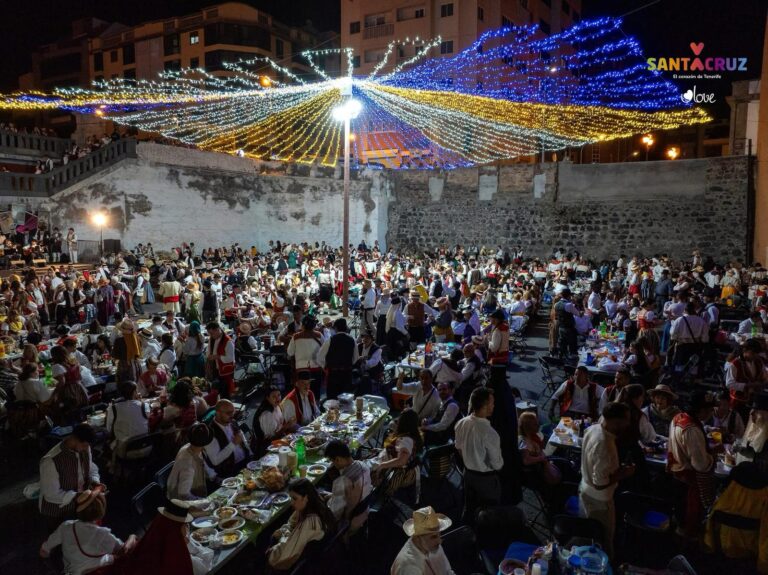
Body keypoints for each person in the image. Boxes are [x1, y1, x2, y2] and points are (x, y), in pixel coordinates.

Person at [579, 402, 634, 558]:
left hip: (584, 491)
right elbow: (600, 483)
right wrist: (623, 473)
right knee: (603, 541)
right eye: (627, 420)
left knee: (588, 537)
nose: (628, 424)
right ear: (617, 421)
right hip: (599, 502)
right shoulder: (605, 444)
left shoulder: (593, 428)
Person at [40, 489, 137, 575]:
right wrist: (132, 537)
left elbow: (44, 550)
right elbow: (123, 549)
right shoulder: (102, 534)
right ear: (101, 511)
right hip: (99, 570)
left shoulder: (66, 526)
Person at [105, 499, 213, 575]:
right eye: (185, 524)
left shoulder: (153, 535)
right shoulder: (177, 553)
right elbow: (205, 565)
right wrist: (189, 544)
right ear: (178, 527)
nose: (187, 526)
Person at [667, 391, 718, 538]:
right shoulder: (692, 429)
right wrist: (712, 456)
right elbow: (700, 464)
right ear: (700, 410)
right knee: (689, 520)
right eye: (709, 410)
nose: (710, 413)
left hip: (677, 476)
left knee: (680, 515)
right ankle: (686, 551)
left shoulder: (678, 418)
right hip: (689, 481)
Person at [39, 424, 102, 530]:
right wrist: (78, 496)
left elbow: (91, 468)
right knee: (64, 538)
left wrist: (95, 481)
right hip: (58, 507)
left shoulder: (84, 448)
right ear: (74, 439)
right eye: (85, 445)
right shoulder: (51, 461)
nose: (86, 449)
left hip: (79, 501)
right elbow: (51, 494)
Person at [454, 387, 503, 522]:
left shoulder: (461, 423)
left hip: (468, 474)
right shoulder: (490, 433)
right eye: (492, 402)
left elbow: (458, 448)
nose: (494, 405)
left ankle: (467, 535)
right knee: (489, 515)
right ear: (485, 406)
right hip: (485, 481)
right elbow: (497, 464)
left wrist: (470, 461)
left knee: (469, 508)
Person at [267, 478, 337, 572]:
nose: (292, 502)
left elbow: (284, 555)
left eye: (295, 498)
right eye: (291, 498)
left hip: (307, 562)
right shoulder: (315, 503)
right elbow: (292, 522)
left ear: (306, 498)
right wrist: (285, 530)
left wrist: (281, 537)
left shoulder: (310, 522)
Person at [370, 409, 423, 495]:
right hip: (386, 460)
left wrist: (382, 465)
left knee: (359, 470)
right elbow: (399, 452)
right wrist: (381, 450)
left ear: (403, 423)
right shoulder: (412, 435)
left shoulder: (406, 440)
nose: (397, 421)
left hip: (388, 469)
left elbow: (402, 461)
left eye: (400, 419)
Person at [324, 440, 372, 534]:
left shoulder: (342, 481)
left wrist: (325, 503)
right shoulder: (364, 466)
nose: (333, 464)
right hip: (364, 511)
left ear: (338, 459)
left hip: (349, 522)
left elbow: (335, 513)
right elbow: (351, 494)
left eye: (332, 461)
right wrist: (333, 496)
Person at [391, 506, 455, 575]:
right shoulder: (408, 567)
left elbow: (448, 572)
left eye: (439, 534)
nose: (440, 541)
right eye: (433, 537)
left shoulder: (431, 546)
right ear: (417, 538)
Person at [106, 381, 150, 466]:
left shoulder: (113, 409)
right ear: (134, 392)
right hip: (146, 447)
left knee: (109, 442)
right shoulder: (144, 405)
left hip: (125, 450)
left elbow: (109, 428)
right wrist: (140, 401)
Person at [166, 423, 214, 501]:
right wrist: (203, 502)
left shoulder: (189, 447)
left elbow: (203, 466)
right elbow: (183, 495)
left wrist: (216, 478)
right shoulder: (188, 465)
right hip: (179, 505)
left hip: (191, 495)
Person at [725, 339, 768, 423]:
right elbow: (729, 384)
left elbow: (764, 375)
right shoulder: (735, 364)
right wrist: (748, 385)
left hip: (754, 400)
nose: (755, 356)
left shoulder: (758, 361)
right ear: (745, 350)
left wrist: (763, 381)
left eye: (757, 354)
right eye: (753, 353)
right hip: (739, 401)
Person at [203, 399, 248, 478]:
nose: (231, 415)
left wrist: (250, 453)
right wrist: (233, 444)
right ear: (218, 413)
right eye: (228, 413)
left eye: (233, 412)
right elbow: (215, 461)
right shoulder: (210, 433)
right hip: (231, 472)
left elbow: (242, 439)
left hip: (246, 462)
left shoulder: (232, 422)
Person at [317, 317, 358, 399]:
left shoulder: (330, 340)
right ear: (346, 328)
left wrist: (325, 366)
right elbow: (355, 358)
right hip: (347, 374)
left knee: (332, 401)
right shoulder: (352, 340)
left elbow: (319, 357)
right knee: (346, 401)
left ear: (336, 328)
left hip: (333, 374)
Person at [518, 411, 561, 485]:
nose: (538, 425)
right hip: (537, 472)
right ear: (528, 428)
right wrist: (540, 458)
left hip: (543, 464)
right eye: (535, 424)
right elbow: (526, 460)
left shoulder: (533, 437)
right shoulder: (526, 444)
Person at [734, 392, 768, 477]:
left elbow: (760, 457)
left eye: (757, 411)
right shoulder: (755, 425)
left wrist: (743, 450)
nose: (751, 413)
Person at [252, 386, 293, 454]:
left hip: (279, 438)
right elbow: (272, 437)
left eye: (279, 395)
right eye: (274, 396)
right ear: (268, 398)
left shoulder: (276, 406)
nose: (278, 398)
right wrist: (286, 426)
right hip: (267, 446)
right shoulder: (266, 414)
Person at [420, 381, 461, 446]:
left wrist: (426, 427)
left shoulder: (452, 405)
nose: (442, 392)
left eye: (444, 389)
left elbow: (443, 426)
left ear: (450, 390)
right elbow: (436, 418)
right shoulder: (442, 403)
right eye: (439, 390)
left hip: (447, 440)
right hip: (439, 436)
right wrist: (427, 421)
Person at [206, 321, 235, 398]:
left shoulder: (228, 341)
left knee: (225, 393)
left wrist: (218, 357)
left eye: (212, 333)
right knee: (215, 392)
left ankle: (226, 407)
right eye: (209, 333)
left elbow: (230, 358)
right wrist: (209, 355)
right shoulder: (211, 339)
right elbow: (208, 350)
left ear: (217, 329)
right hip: (216, 369)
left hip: (226, 371)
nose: (210, 335)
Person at [555, 288, 579, 357]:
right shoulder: (569, 305)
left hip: (561, 327)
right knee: (572, 346)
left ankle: (561, 359)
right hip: (569, 328)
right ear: (569, 296)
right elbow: (578, 314)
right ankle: (572, 361)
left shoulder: (556, 304)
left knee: (562, 344)